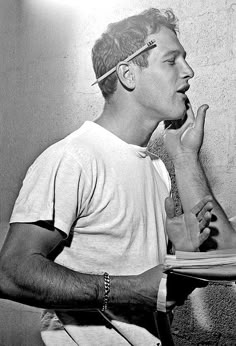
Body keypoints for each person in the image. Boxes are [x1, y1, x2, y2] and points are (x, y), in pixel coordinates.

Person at [0, 7, 235, 346]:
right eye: (171, 61)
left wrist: (185, 159)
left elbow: (214, 265)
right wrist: (130, 290)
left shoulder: (156, 169)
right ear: (127, 74)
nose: (190, 72)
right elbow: (11, 272)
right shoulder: (74, 159)